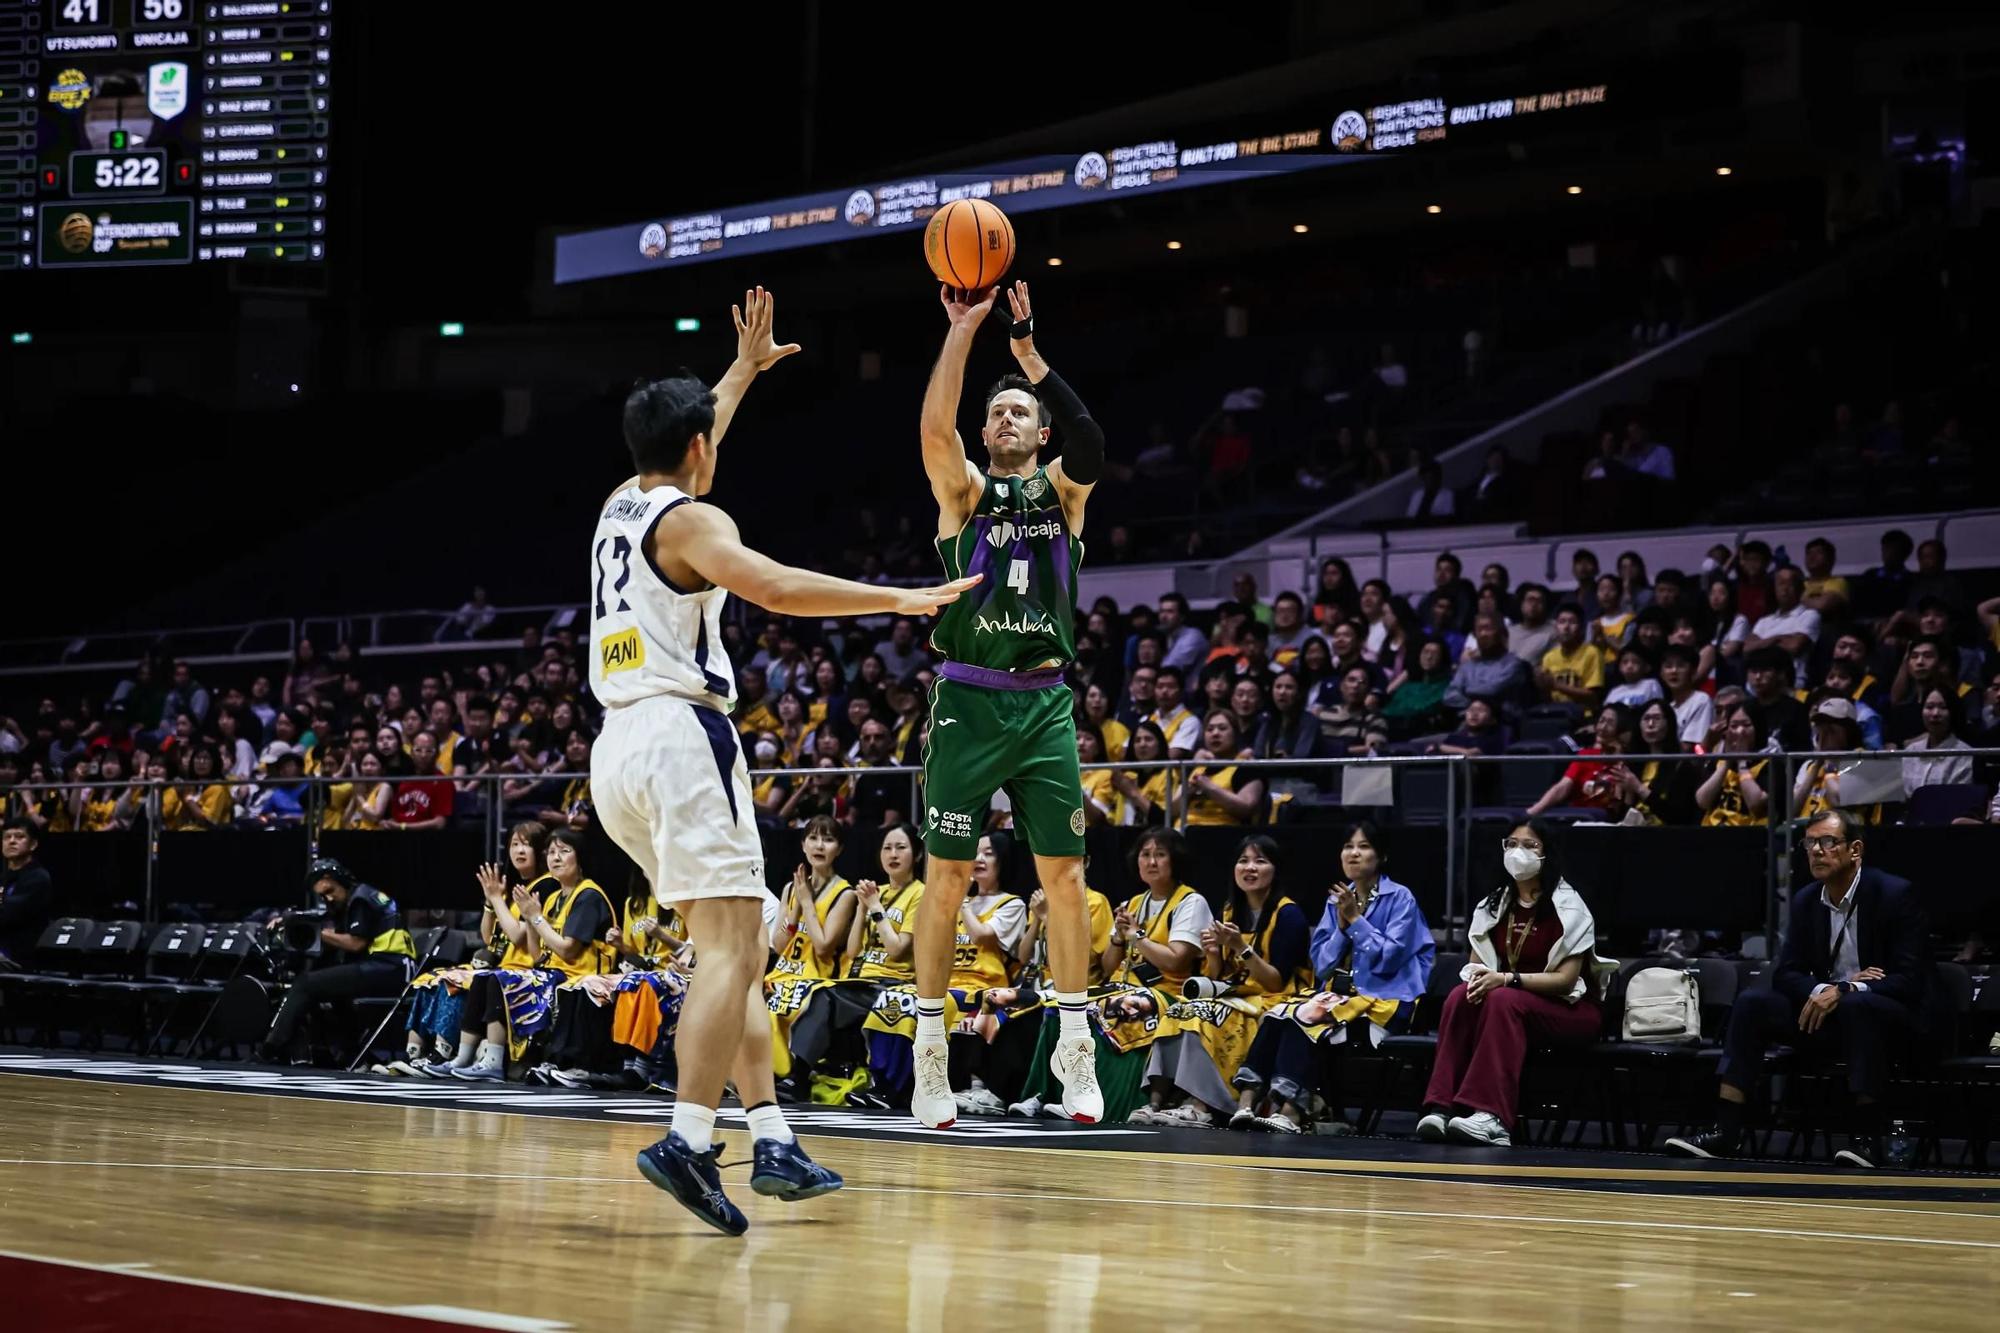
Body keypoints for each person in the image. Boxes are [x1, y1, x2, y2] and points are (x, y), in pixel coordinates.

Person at [588, 289, 977, 1233]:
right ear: (696, 454)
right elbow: (776, 586)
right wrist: (901, 597)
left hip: (616, 753)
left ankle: (770, 1135)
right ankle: (686, 1137)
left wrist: (742, 372)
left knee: (741, 952)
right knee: (731, 950)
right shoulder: (691, 523)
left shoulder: (622, 502)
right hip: (682, 738)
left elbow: (698, 426)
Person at [912, 278, 1107, 1129]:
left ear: (1040, 431)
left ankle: (1075, 1044)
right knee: (945, 879)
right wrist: (962, 332)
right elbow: (933, 427)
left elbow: (1095, 438)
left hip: (1044, 707)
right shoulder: (962, 495)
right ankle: (929, 1053)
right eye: (997, 415)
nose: (1005, 421)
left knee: (1065, 877)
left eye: (1020, 413)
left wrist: (1028, 353)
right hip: (967, 700)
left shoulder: (1065, 495)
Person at [1667, 809, 1927, 1169]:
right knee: (1754, 1002)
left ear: (1855, 850)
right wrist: (1827, 989)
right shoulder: (1807, 899)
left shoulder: (1893, 894)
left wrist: (1847, 990)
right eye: (1810, 843)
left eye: (1827, 842)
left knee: (1857, 1008)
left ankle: (1867, 1139)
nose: (1817, 851)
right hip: (1825, 1015)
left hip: (1890, 1019)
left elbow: (1909, 980)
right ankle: (1726, 1130)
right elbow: (1786, 973)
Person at [1232, 823, 1433, 1133]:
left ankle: (1291, 1112)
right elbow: (1322, 966)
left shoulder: (1400, 899)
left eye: (1363, 846)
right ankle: (1245, 1105)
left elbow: (1389, 960)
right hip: (1338, 997)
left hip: (1387, 1000)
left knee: (1309, 1018)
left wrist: (1354, 920)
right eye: (1348, 846)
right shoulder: (1337, 900)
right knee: (1278, 1014)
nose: (1353, 853)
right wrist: (1341, 927)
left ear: (1381, 856)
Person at [1418, 820, 1602, 1146]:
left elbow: (1566, 981)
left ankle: (1492, 1118)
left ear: (1547, 855)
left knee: (1504, 998)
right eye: (1512, 844)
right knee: (1461, 996)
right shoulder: (1494, 904)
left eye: (1530, 846)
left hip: (1570, 1010)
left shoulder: (1569, 907)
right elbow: (1476, 965)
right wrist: (1478, 980)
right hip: (1510, 1006)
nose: (1518, 852)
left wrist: (1506, 979)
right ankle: (1442, 1106)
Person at [1132, 836, 1312, 1128]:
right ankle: (1155, 1102)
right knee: (1181, 1010)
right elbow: (1216, 977)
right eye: (1243, 861)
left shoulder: (1288, 914)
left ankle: (1201, 1104)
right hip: (1235, 994)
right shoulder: (1230, 911)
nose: (1250, 868)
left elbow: (1276, 982)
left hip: (1275, 999)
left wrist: (1241, 947)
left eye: (1260, 861)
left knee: (1206, 1016)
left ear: (1275, 869)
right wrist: (1214, 954)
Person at [256, 858, 417, 1065]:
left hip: (390, 967)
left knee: (306, 983)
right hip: (386, 967)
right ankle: (348, 1054)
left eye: (330, 891)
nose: (328, 898)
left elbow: (355, 943)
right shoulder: (355, 898)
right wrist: (291, 921)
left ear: (335, 878)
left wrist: (313, 932)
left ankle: (268, 1050)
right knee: (327, 986)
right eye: (323, 896)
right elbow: (322, 920)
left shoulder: (361, 898)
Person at [1697, 706, 1770, 826]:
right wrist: (1727, 763)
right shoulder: (1719, 762)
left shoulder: (1770, 764)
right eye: (1734, 726)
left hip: (1749, 835)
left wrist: (1742, 762)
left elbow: (1755, 805)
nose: (1740, 731)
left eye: (1746, 725)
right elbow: (1702, 801)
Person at [1899, 684, 1973, 797]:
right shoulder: (1911, 751)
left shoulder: (1965, 753)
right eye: (1929, 707)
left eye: (1943, 707)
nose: (1935, 714)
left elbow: (1958, 797)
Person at [0, 817, 53, 972]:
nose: (12, 841)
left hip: (19, 958)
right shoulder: (4, 878)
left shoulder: (38, 878)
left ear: (33, 844)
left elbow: (7, 915)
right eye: (7, 837)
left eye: (19, 837)